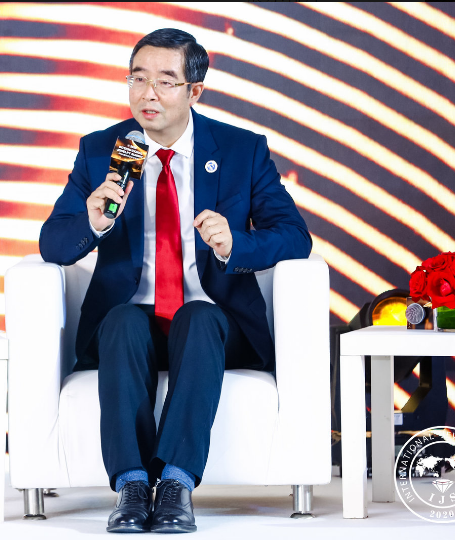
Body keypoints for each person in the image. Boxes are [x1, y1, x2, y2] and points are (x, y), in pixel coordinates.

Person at [39, 28, 311, 534]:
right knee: (122, 320)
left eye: (165, 81)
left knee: (199, 316)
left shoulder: (241, 150)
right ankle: (132, 487)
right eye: (137, 79)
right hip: (129, 327)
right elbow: (52, 245)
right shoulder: (102, 151)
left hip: (215, 325)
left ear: (195, 91)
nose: (148, 93)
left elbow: (295, 237)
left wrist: (234, 244)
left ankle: (176, 485)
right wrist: (92, 223)